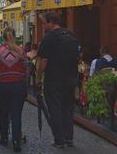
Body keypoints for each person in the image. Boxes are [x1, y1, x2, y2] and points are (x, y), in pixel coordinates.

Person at [36, 12, 79, 149]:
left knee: (55, 109)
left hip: (54, 79)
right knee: (68, 108)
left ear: (51, 22)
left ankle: (59, 140)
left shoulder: (49, 38)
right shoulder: (71, 35)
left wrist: (38, 78)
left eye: (43, 23)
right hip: (71, 78)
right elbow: (80, 54)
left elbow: (43, 61)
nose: (43, 26)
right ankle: (69, 138)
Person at [0, 27, 28, 152]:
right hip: (18, 85)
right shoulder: (21, 51)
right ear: (14, 36)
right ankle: (16, 142)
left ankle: (4, 138)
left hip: (1, 86)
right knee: (16, 114)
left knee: (3, 112)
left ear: (3, 37)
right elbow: (26, 69)